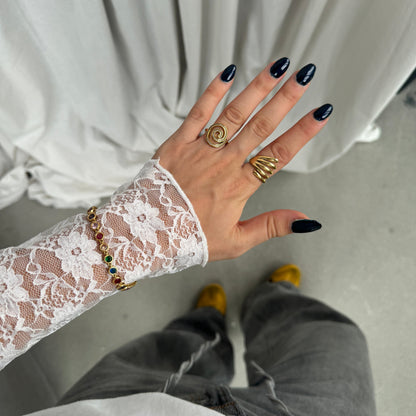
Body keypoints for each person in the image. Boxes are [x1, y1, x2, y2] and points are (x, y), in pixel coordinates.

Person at [0, 59, 375, 415]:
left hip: (116, 403)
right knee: (332, 336)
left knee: (176, 349)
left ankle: (205, 321)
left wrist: (134, 229)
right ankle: (273, 300)